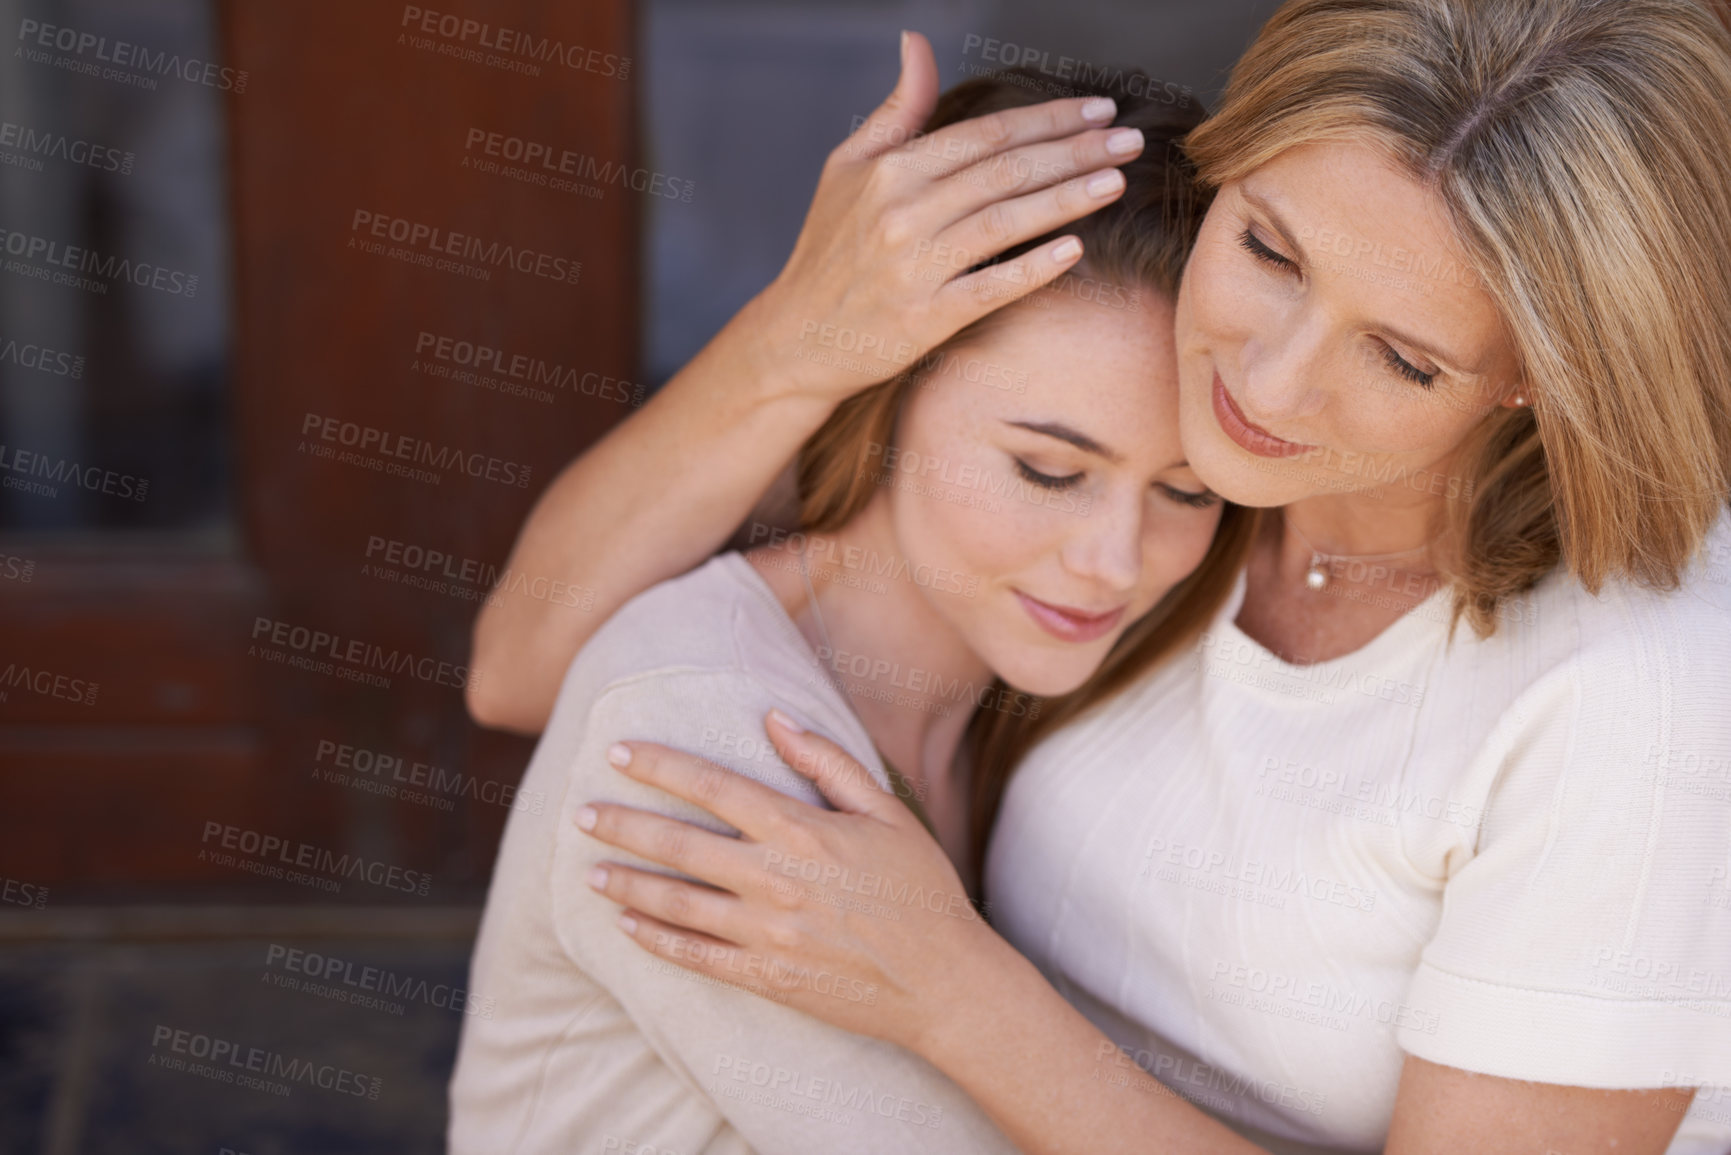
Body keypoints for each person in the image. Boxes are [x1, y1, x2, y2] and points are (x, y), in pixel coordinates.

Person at [479, 3, 1731, 1152]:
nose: (1271, 387)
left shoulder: (1630, 691)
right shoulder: (1195, 460)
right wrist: (807, 331)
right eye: (1269, 250)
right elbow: (535, 666)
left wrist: (960, 995)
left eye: (1403, 360)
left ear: (1543, 375)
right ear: (1227, 167)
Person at [448, 70, 1254, 1154]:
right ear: (891, 392)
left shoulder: (1028, 701)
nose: (1115, 563)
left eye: (1188, 489)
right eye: (1048, 470)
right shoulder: (704, 735)